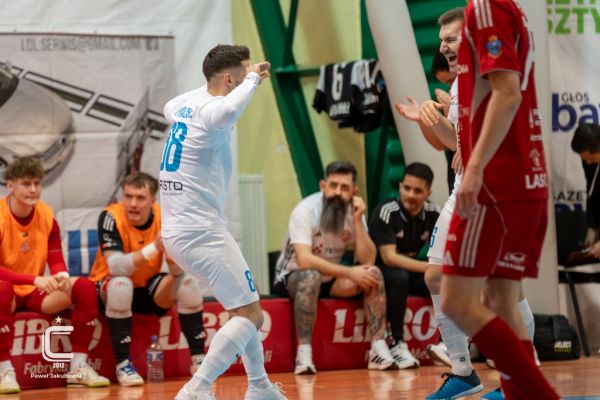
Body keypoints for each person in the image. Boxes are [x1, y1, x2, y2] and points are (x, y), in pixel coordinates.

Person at [396, 7, 539, 399]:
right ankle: (463, 371)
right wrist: (427, 118)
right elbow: (454, 144)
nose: (444, 46)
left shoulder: (492, 75)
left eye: (451, 38)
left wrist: (475, 156)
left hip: (494, 189)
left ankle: (523, 374)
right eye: (442, 40)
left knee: (502, 288)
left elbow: (507, 120)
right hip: (464, 188)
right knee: (435, 276)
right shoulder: (460, 81)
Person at [440, 1, 559, 398]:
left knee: (456, 301)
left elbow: (507, 94)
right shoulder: (508, 9)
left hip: (498, 182)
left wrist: (473, 169)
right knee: (501, 300)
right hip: (521, 178)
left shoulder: (486, 7)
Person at [159, 44, 285, 400]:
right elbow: (227, 109)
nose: (249, 78)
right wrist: (253, 80)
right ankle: (196, 389)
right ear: (229, 79)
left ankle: (259, 386)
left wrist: (243, 77)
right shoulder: (215, 110)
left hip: (180, 230)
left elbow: (172, 106)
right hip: (201, 232)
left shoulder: (184, 105)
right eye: (243, 74)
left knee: (242, 306)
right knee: (252, 315)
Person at [273, 160, 397, 375]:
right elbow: (305, 260)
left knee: (373, 274)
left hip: (329, 278)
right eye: (333, 185)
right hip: (293, 276)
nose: (338, 192)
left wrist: (357, 220)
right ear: (323, 186)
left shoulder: (353, 212)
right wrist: (350, 272)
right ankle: (304, 355)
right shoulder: (305, 210)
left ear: (354, 191)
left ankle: (378, 348)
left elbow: (368, 259)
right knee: (311, 276)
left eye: (344, 187)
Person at [0, 157, 109, 393]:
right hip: (8, 290)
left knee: (84, 287)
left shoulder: (46, 215)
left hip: (34, 291)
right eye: (26, 184)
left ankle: (78, 367)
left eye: (37, 183)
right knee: (2, 290)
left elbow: (55, 255)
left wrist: (60, 274)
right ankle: (4, 371)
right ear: (10, 185)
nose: (33, 190)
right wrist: (34, 279)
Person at [89, 172, 206, 386]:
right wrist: (155, 247)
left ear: (153, 200)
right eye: (128, 196)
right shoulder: (110, 216)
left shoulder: (165, 217)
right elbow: (116, 267)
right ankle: (123, 365)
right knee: (121, 285)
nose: (133, 204)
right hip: (108, 287)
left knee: (187, 283)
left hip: (145, 288)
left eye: (140, 198)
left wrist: (172, 259)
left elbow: (177, 272)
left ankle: (199, 361)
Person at [368, 162, 438, 370]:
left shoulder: (434, 212)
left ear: (428, 193)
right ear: (399, 186)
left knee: (443, 278)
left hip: (410, 271)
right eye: (406, 188)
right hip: (381, 270)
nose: (410, 195)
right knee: (400, 276)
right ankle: (397, 343)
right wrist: (428, 268)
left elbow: (443, 251)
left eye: (418, 190)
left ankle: (449, 343)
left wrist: (437, 270)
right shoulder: (386, 211)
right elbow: (389, 258)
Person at [571, 123, 600, 257]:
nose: (588, 163)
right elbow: (592, 191)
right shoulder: (590, 163)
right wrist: (592, 225)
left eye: (591, 159)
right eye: (584, 159)